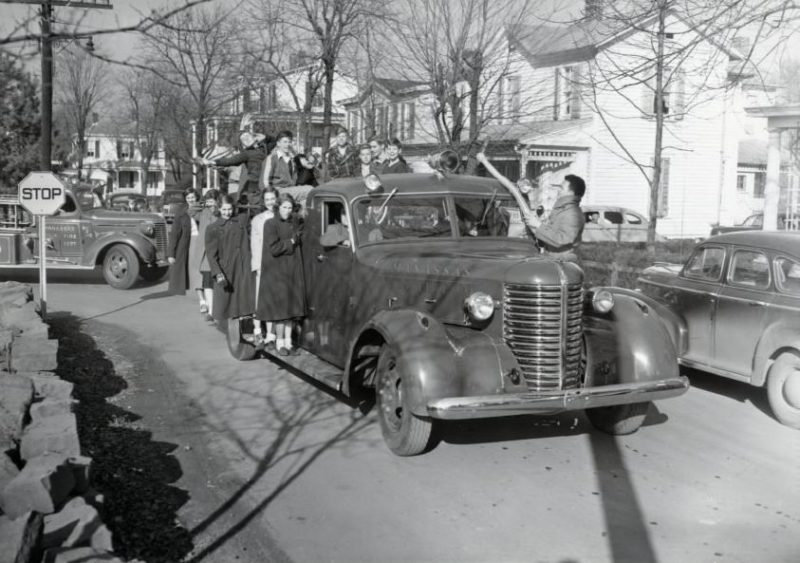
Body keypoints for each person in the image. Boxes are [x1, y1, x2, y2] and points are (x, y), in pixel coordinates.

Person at [256, 193, 305, 356]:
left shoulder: (295, 221)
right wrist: (291, 242)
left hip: (292, 270)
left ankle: (289, 343)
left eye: (290, 208)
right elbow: (274, 248)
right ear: (278, 207)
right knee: (281, 312)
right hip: (278, 272)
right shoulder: (270, 224)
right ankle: (279, 343)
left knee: (291, 310)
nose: (287, 211)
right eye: (284, 207)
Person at [205, 195, 255, 322]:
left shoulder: (241, 222)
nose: (227, 213)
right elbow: (211, 255)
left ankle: (244, 334)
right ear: (218, 209)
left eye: (230, 209)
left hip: (243, 268)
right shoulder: (213, 228)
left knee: (244, 305)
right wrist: (217, 273)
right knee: (228, 306)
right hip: (226, 270)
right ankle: (232, 336)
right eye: (224, 209)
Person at [208, 131, 269, 206]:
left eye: (248, 136)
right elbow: (229, 162)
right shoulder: (247, 154)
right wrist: (215, 163)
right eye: (243, 139)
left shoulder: (262, 149)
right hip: (246, 186)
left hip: (258, 186)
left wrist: (265, 137)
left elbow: (230, 161)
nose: (246, 139)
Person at [250, 188, 279, 347]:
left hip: (277, 264)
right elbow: (255, 245)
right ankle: (257, 331)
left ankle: (271, 334)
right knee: (260, 298)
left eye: (272, 198)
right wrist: (257, 265)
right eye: (267, 199)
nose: (270, 202)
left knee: (274, 299)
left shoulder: (281, 215)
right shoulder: (257, 220)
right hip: (262, 263)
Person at [167, 192, 194, 295]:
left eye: (193, 197)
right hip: (185, 244)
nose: (191, 200)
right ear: (186, 199)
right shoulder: (181, 213)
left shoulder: (202, 210)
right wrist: (171, 254)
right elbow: (174, 234)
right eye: (188, 198)